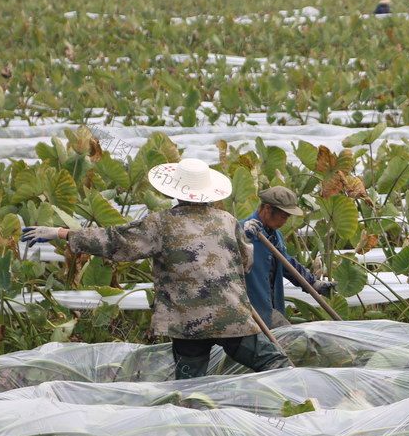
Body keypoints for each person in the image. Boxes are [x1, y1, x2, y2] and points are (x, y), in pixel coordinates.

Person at [21, 158, 291, 380]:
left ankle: (197, 421)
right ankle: (295, 405)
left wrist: (62, 233)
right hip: (230, 315)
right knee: (275, 364)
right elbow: (246, 262)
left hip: (187, 321)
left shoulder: (161, 223)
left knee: (191, 386)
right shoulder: (227, 220)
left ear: (175, 190)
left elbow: (116, 242)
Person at [241, 186, 336, 329]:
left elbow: (286, 263)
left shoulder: (275, 234)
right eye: (283, 216)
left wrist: (313, 283)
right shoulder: (242, 231)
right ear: (268, 209)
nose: (285, 221)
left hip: (271, 308)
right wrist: (242, 238)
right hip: (249, 311)